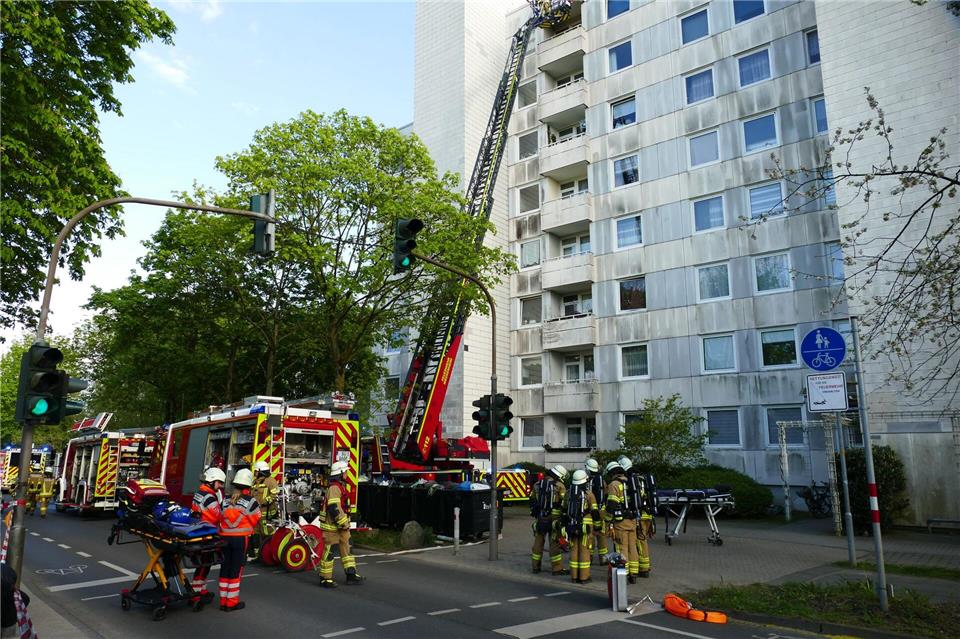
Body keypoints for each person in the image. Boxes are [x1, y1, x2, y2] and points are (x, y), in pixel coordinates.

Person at [218, 468, 260, 611]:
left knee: (225, 569)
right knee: (236, 571)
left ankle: (223, 601)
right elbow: (256, 519)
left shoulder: (225, 500)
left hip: (224, 539)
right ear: (248, 486)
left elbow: (220, 516)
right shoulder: (251, 501)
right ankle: (232, 602)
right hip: (240, 540)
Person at [318, 461, 363, 588]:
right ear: (341, 473)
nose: (347, 473)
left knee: (347, 547)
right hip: (332, 526)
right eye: (346, 471)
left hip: (341, 525)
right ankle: (325, 579)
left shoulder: (340, 486)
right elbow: (334, 508)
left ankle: (351, 574)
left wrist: (345, 523)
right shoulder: (334, 488)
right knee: (330, 551)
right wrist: (343, 523)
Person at [190, 466, 225, 600]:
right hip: (208, 533)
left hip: (199, 531)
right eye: (219, 482)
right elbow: (218, 515)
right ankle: (197, 593)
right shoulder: (210, 498)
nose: (220, 485)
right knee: (205, 564)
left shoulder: (199, 493)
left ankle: (200, 589)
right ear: (211, 481)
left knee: (202, 564)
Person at [603, 460, 639, 584]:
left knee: (621, 547)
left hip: (621, 522)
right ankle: (634, 573)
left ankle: (624, 573)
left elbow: (612, 505)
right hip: (632, 520)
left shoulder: (614, 484)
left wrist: (607, 520)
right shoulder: (631, 481)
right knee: (632, 547)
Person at [618, 455, 654, 578]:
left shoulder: (630, 480)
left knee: (637, 541)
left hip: (639, 515)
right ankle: (644, 567)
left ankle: (639, 568)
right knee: (642, 541)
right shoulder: (642, 478)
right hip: (648, 514)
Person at [530, 465, 569, 575]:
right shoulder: (559, 486)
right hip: (554, 520)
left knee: (538, 541)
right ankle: (557, 569)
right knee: (554, 543)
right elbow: (564, 503)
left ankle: (535, 567)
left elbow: (532, 500)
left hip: (541, 517)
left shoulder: (537, 484)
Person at [566, 470, 599, 584]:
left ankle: (574, 577)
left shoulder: (568, 492)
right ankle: (584, 577)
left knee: (574, 549)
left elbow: (564, 510)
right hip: (585, 526)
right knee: (584, 550)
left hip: (572, 524)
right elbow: (594, 511)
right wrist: (598, 525)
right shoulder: (589, 494)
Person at [250, 461, 280, 559]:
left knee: (268, 534)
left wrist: (264, 502)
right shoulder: (255, 481)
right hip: (255, 513)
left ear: (260, 471)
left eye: (256, 471)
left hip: (266, 514)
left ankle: (269, 555)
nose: (254, 473)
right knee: (256, 534)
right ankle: (258, 555)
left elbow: (275, 495)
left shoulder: (271, 481)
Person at [584, 458, 606, 565]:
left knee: (591, 534)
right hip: (601, 510)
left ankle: (589, 556)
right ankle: (603, 558)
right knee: (601, 534)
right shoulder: (601, 480)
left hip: (590, 511)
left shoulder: (586, 480)